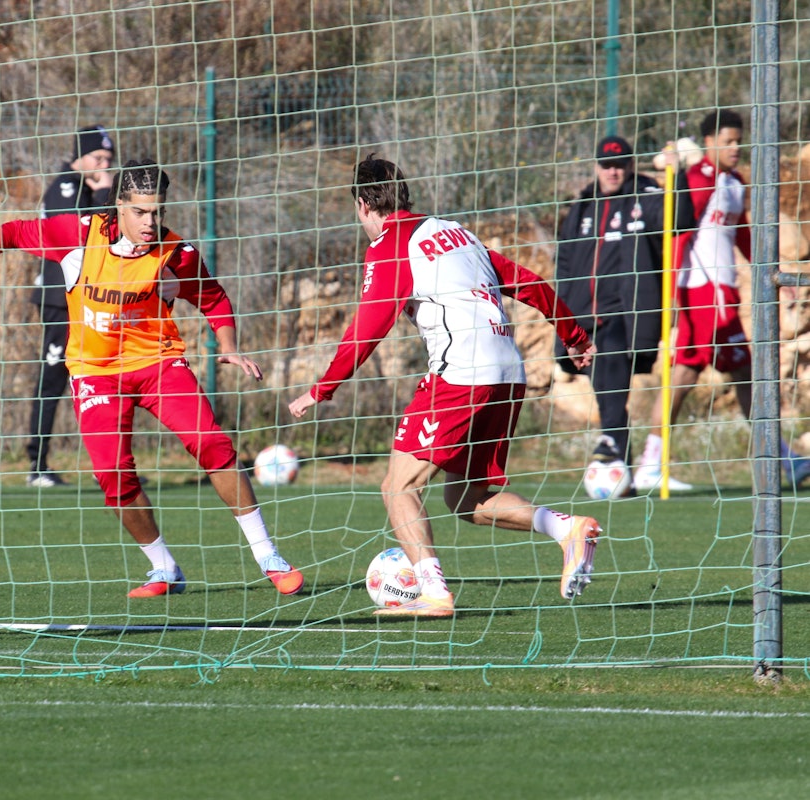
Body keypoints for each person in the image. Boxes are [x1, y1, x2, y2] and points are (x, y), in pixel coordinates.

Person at [0, 159, 303, 598]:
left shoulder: (175, 251)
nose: (151, 222)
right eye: (141, 212)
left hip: (158, 365)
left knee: (211, 442)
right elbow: (10, 233)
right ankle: (164, 569)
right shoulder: (78, 234)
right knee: (112, 473)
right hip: (95, 374)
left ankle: (269, 557)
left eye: (158, 212)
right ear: (119, 206)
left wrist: (228, 347)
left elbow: (215, 298)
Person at [288, 155, 601, 618]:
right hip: (507, 371)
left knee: (398, 487)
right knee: (466, 499)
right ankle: (566, 528)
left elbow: (367, 328)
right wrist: (574, 336)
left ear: (362, 204)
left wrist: (322, 387)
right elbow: (529, 282)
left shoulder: (391, 243)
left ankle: (434, 594)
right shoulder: (458, 233)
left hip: (460, 372)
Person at [632, 109, 810, 491]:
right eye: (728, 141)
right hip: (702, 291)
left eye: (738, 141)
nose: (735, 148)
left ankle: (778, 457)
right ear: (708, 142)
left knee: (713, 372)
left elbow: (742, 234)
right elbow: (678, 231)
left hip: (722, 291)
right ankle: (652, 461)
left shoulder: (735, 181)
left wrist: (774, 272)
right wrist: (673, 292)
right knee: (709, 372)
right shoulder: (695, 179)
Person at [554, 135, 693, 485]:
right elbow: (566, 262)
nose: (612, 172)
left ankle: (611, 443)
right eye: (606, 165)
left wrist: (681, 175)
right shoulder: (584, 204)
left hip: (627, 312)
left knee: (613, 359)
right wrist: (562, 312)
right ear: (597, 166)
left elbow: (681, 219)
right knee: (602, 378)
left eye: (619, 165)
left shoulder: (645, 197)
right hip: (583, 314)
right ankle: (620, 460)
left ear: (630, 166)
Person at [26, 124, 117, 488]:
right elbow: (86, 236)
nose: (102, 166)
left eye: (108, 160)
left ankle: (110, 465)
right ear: (79, 156)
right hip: (59, 299)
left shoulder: (86, 186)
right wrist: (106, 194)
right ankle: (37, 465)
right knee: (53, 379)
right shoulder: (66, 186)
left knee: (100, 378)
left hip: (90, 298)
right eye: (97, 158)